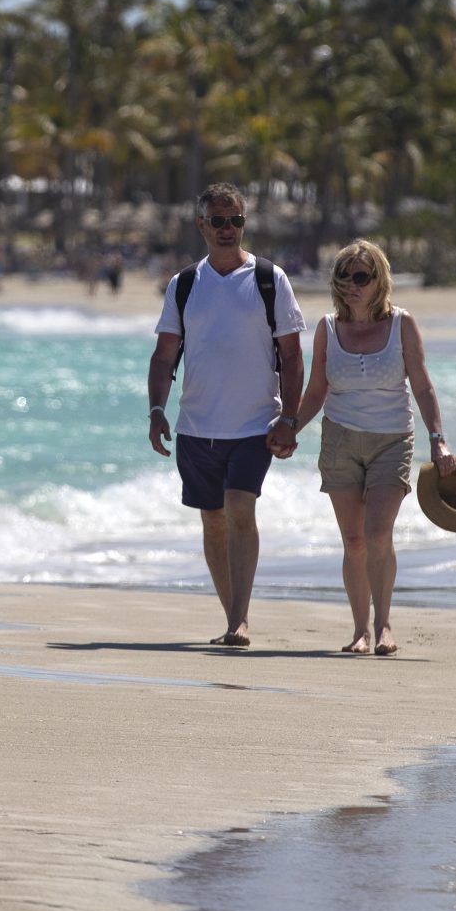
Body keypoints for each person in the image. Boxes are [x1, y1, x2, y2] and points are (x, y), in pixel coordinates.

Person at [147, 185, 305, 648]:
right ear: (201, 227)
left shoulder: (269, 279)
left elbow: (293, 356)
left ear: (243, 224)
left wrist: (290, 418)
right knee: (212, 520)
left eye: (235, 220)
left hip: (256, 424)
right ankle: (231, 615)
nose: (227, 229)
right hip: (196, 426)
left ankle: (240, 620)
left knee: (239, 508)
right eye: (217, 221)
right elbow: (163, 356)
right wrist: (157, 410)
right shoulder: (185, 285)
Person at [282, 240, 455, 656]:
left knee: (378, 533)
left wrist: (438, 438)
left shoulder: (401, 324)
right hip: (340, 440)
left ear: (380, 280)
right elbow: (317, 390)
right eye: (344, 276)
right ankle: (360, 630)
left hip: (392, 440)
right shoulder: (327, 327)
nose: (352, 285)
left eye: (361, 277)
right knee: (354, 541)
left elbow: (422, 384)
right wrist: (290, 428)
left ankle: (384, 626)